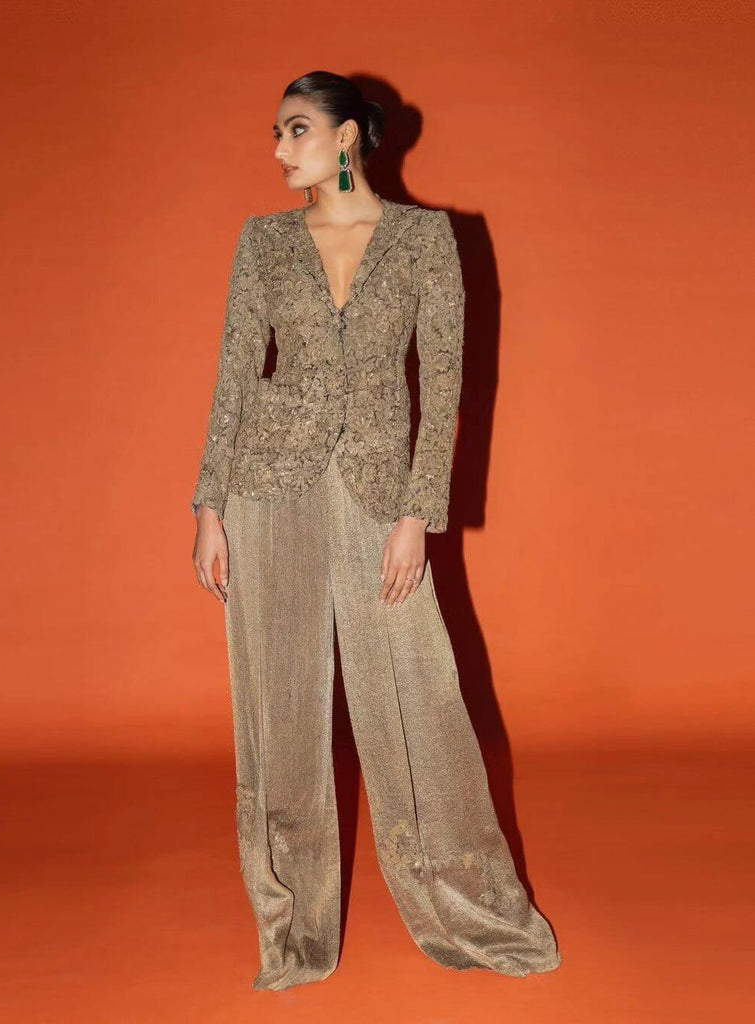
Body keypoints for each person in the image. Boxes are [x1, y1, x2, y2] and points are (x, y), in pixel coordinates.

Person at [190, 71, 562, 991]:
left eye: (297, 129)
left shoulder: (427, 240)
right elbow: (235, 373)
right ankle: (294, 931)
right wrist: (208, 506)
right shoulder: (263, 242)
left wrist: (415, 516)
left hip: (376, 488)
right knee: (279, 708)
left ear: (349, 135)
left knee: (418, 696)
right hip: (266, 487)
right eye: (276, 133)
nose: (280, 148)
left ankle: (469, 906)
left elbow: (445, 384)